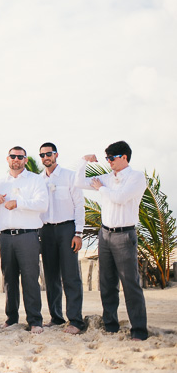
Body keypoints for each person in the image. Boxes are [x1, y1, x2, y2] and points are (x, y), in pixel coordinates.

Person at [74, 141, 148, 340]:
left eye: (112, 158)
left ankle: (139, 330)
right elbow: (78, 182)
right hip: (105, 234)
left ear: (124, 157)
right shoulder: (106, 178)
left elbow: (121, 198)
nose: (109, 162)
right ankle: (111, 326)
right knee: (107, 283)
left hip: (125, 234)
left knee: (130, 283)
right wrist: (83, 161)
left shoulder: (136, 177)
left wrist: (101, 189)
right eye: (106, 158)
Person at [0, 146, 48, 334]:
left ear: (26, 160)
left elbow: (43, 204)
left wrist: (18, 203)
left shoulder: (35, 180)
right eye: (13, 156)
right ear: (7, 158)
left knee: (30, 279)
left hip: (28, 236)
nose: (16, 160)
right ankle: (11, 318)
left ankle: (35, 320)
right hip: (5, 237)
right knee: (9, 279)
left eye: (20, 157)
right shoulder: (0, 182)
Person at [37, 143, 85, 334]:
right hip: (45, 231)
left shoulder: (70, 176)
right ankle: (56, 318)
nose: (45, 157)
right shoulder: (38, 180)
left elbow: (79, 205)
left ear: (56, 155)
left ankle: (75, 320)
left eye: (48, 154)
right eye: (42, 155)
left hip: (67, 229)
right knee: (50, 277)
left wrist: (78, 233)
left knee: (71, 276)